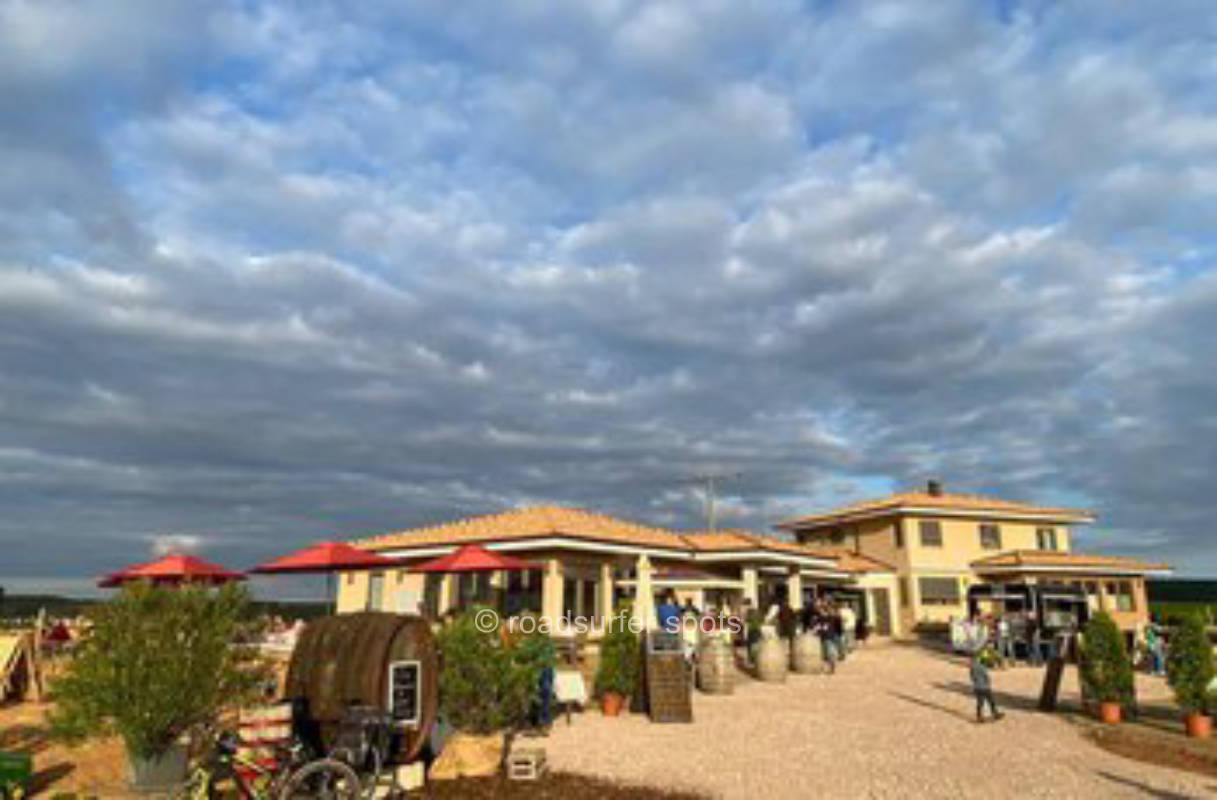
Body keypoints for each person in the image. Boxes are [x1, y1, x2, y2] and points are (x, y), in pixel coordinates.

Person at [970, 646, 1005, 723]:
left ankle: (979, 716)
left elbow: (972, 676)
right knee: (991, 700)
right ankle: (995, 713)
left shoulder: (973, 666)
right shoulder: (982, 666)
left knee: (980, 702)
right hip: (984, 687)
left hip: (977, 687)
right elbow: (986, 676)